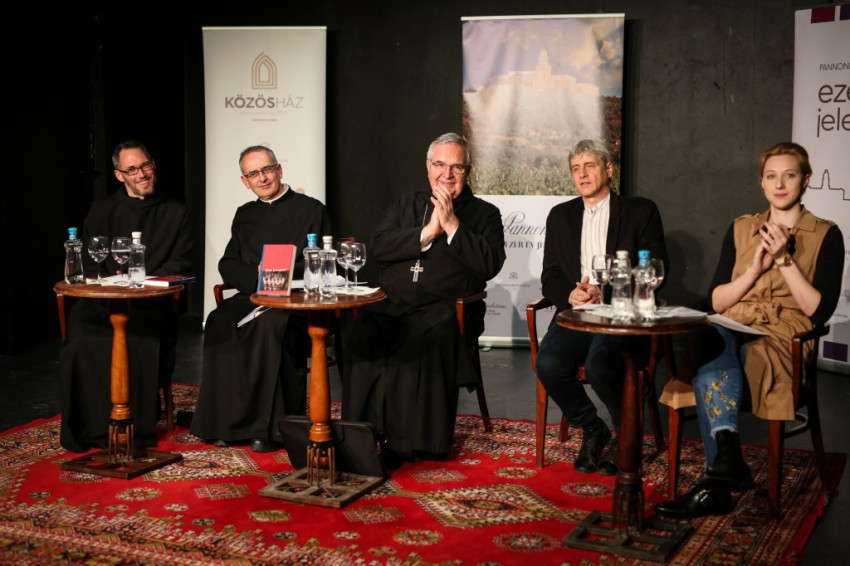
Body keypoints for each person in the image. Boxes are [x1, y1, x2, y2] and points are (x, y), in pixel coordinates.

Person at [655, 142, 844, 518]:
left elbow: (819, 311)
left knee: (710, 352)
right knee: (713, 333)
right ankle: (726, 464)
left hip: (782, 339)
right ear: (761, 182)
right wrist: (754, 271)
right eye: (771, 176)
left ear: (806, 180)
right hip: (734, 325)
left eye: (789, 175)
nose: (780, 184)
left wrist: (784, 260)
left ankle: (722, 473)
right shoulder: (742, 228)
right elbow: (717, 301)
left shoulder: (826, 234)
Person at [341, 132, 506, 462]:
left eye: (457, 167)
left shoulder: (485, 213)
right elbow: (380, 248)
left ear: (468, 171)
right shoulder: (405, 204)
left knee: (424, 335)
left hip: (447, 309)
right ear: (428, 167)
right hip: (392, 305)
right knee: (359, 332)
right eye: (440, 165)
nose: (447, 174)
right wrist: (428, 233)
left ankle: (413, 442)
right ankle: (360, 434)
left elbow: (490, 264)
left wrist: (453, 225)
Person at [535, 139, 668, 476]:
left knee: (599, 366)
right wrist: (570, 294)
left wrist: (606, 292)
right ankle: (593, 428)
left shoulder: (640, 211)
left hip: (621, 314)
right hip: (577, 315)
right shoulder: (560, 216)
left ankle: (627, 436)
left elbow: (654, 269)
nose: (582, 174)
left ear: (608, 170)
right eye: (576, 169)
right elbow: (550, 275)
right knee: (548, 363)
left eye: (589, 166)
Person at [190, 145, 333, 453]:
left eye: (267, 169)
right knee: (219, 321)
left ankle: (270, 430)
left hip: (296, 300)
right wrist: (258, 278)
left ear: (279, 170)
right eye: (254, 173)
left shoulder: (311, 210)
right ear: (245, 181)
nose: (263, 178)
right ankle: (226, 424)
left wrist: (280, 273)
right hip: (255, 294)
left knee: (270, 326)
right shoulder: (244, 215)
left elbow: (323, 259)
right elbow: (228, 262)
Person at [59, 140, 193, 452]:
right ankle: (89, 427)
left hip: (149, 302)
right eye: (132, 170)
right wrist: (111, 284)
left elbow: (180, 263)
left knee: (137, 335)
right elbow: (90, 260)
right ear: (119, 175)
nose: (141, 174)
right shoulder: (102, 210)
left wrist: (142, 284)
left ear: (153, 165)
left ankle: (134, 428)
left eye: (145, 166)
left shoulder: (176, 212)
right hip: (103, 300)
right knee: (81, 335)